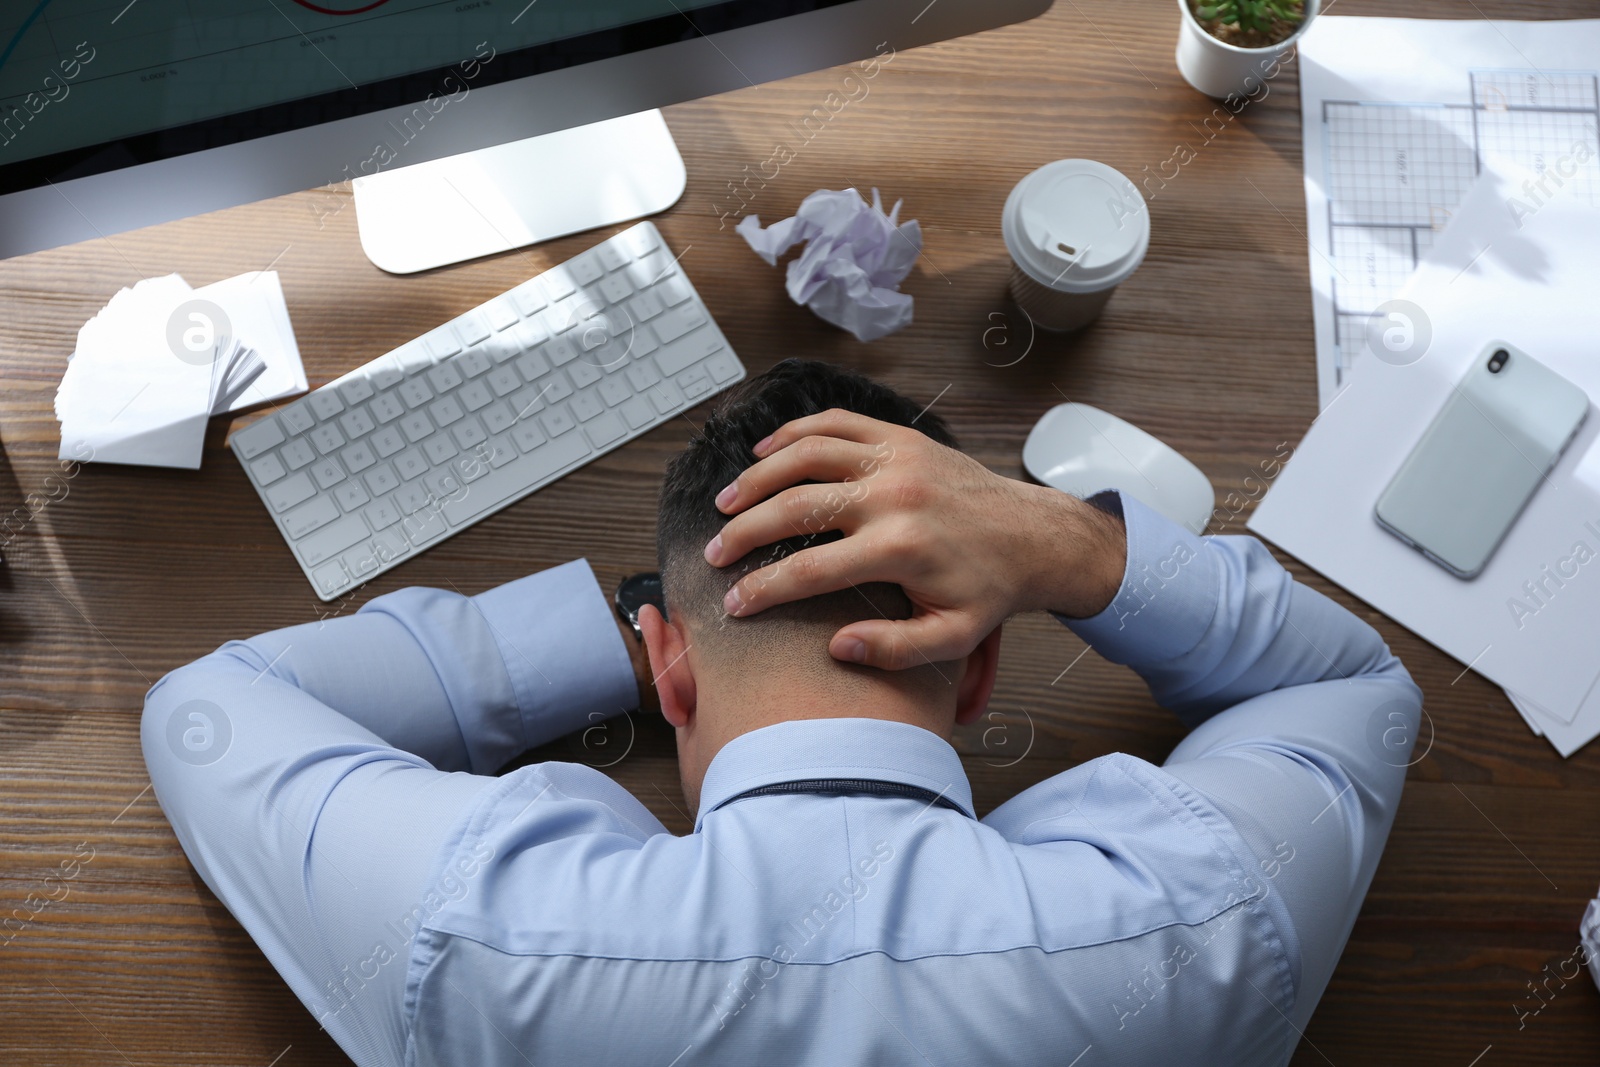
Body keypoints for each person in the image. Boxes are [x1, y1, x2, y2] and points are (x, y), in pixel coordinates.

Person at [142, 358, 1421, 1066]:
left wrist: (617, 624)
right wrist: (1065, 544)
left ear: (668, 666)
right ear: (976, 671)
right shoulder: (1201, 919)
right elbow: (1353, 688)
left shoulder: (470, 933)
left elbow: (207, 708)